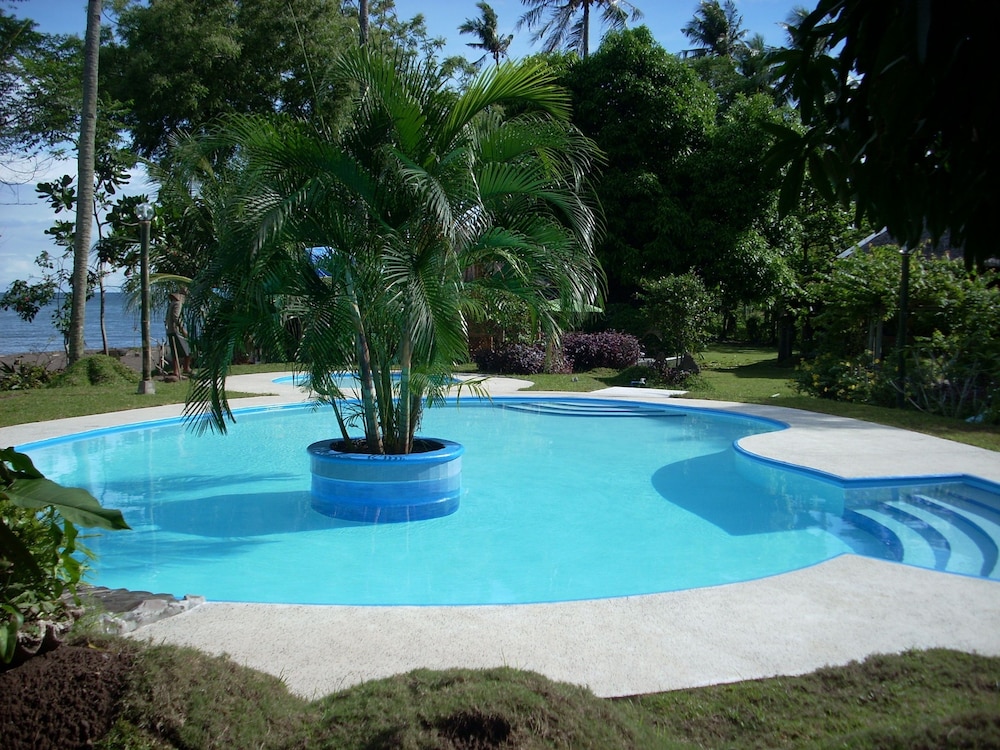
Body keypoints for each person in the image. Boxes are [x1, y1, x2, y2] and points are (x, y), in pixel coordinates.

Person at [166, 289, 192, 377]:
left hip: (170, 330)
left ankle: (177, 371)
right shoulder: (178, 303)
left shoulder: (172, 303)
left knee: (175, 352)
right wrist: (182, 329)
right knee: (188, 349)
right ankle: (186, 368)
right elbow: (176, 317)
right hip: (175, 331)